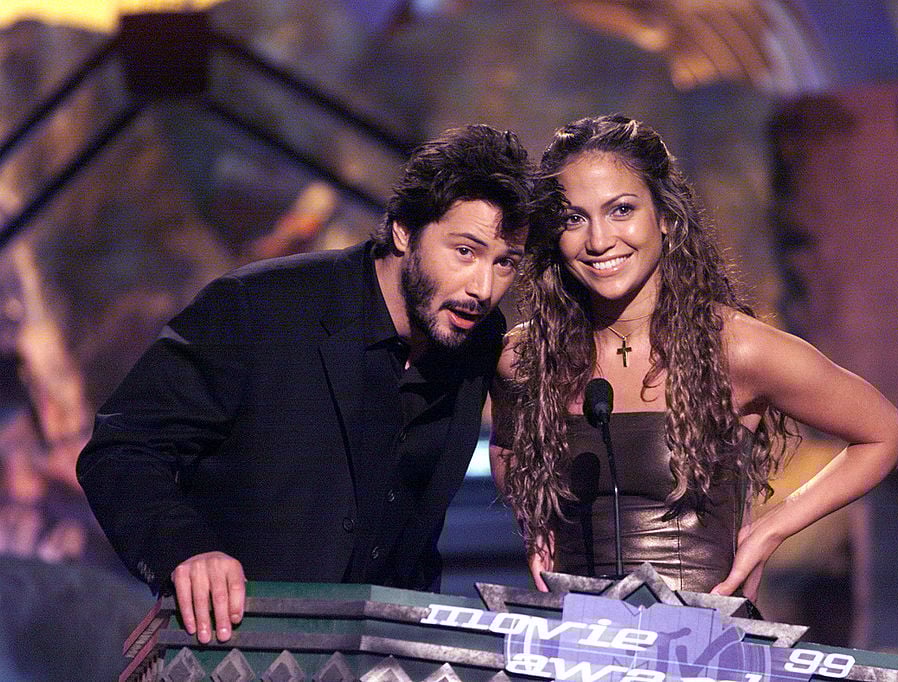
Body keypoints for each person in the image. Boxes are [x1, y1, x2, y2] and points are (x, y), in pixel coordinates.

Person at [77, 124, 554, 645]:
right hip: (237, 648)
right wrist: (186, 549)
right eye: (465, 251)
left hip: (384, 658)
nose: (483, 288)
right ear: (402, 231)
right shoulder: (260, 307)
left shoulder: (478, 341)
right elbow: (122, 449)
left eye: (504, 263)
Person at [489, 114, 898, 604]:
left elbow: (889, 436)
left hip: (705, 650)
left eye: (622, 210)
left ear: (666, 219)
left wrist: (771, 530)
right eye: (574, 218)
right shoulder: (524, 357)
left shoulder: (735, 348)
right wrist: (534, 521)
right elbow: (507, 446)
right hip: (577, 649)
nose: (599, 240)